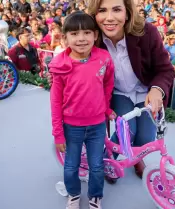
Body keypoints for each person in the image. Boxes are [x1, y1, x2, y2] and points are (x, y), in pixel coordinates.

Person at [88, 0, 175, 184]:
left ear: (127, 13)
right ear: (95, 14)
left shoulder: (147, 32)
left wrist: (157, 90)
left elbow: (165, 69)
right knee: (127, 131)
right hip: (118, 92)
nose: (109, 18)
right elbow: (72, 59)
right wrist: (58, 76)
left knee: (146, 137)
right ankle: (108, 158)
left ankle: (136, 158)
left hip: (145, 90)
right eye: (102, 10)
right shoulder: (91, 37)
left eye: (116, 10)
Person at [50, 12, 115, 209]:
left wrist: (106, 108)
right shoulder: (60, 66)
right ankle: (74, 194)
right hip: (72, 127)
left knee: (96, 166)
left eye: (87, 32)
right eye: (74, 34)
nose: (81, 39)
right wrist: (58, 134)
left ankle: (95, 196)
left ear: (95, 35)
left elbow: (107, 84)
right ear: (65, 38)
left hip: (97, 126)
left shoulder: (104, 58)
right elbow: (55, 102)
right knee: (71, 167)